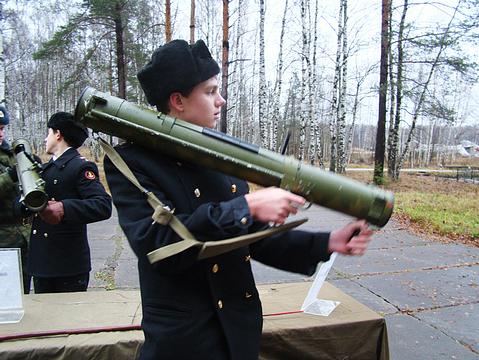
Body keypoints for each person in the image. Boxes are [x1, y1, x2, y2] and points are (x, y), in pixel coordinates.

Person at [104, 39, 374, 360]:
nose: (222, 100)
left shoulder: (222, 155)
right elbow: (158, 245)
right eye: (209, 91)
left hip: (238, 332)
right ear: (178, 100)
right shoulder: (133, 161)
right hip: (184, 343)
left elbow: (251, 240)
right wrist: (247, 206)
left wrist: (327, 242)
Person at [27, 112, 112, 293]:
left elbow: (102, 205)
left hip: (68, 267)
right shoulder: (46, 169)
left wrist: (64, 208)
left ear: (58, 134)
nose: (45, 138)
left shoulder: (80, 167)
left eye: (48, 132)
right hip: (43, 264)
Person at [0, 105, 33, 294]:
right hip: (2, 239)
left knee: (23, 293)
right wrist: (11, 176)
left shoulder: (11, 154)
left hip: (22, 236)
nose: (0, 134)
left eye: (2, 129)